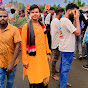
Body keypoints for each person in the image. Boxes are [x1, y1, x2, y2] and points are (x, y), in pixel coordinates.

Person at [21, 4, 51, 88]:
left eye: (36, 12)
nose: (35, 14)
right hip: (32, 58)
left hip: (42, 57)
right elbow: (23, 45)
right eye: (32, 12)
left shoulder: (42, 25)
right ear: (29, 14)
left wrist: (48, 53)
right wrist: (25, 61)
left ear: (39, 13)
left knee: (44, 78)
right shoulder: (26, 27)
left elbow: (46, 40)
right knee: (35, 80)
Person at [59, 3, 80, 88]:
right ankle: (63, 86)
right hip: (67, 49)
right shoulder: (66, 21)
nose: (75, 13)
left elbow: (73, 29)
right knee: (65, 70)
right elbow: (78, 33)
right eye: (74, 11)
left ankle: (62, 83)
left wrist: (75, 20)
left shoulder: (63, 19)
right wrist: (77, 19)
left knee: (62, 69)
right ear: (69, 10)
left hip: (64, 48)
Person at [0, 8, 21, 88]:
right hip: (0, 62)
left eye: (4, 16)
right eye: (0, 16)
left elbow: (18, 46)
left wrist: (11, 64)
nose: (2, 18)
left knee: (10, 81)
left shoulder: (14, 30)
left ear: (8, 17)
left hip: (11, 62)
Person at [51, 7, 64, 81]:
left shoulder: (55, 20)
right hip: (56, 42)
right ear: (60, 13)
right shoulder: (57, 21)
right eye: (62, 13)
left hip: (56, 41)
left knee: (55, 57)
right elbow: (61, 31)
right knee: (55, 58)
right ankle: (53, 74)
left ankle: (54, 69)